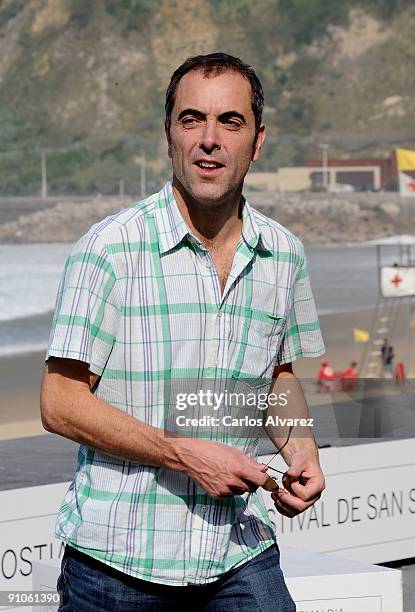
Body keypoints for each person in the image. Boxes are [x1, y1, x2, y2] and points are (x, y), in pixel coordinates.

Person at [40, 52, 326, 611]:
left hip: (238, 549)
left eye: (230, 122)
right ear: (169, 136)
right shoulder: (110, 248)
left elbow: (276, 379)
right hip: (118, 564)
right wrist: (181, 453)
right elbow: (59, 403)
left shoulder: (283, 254)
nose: (209, 139)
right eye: (192, 119)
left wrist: (303, 453)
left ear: (258, 141)